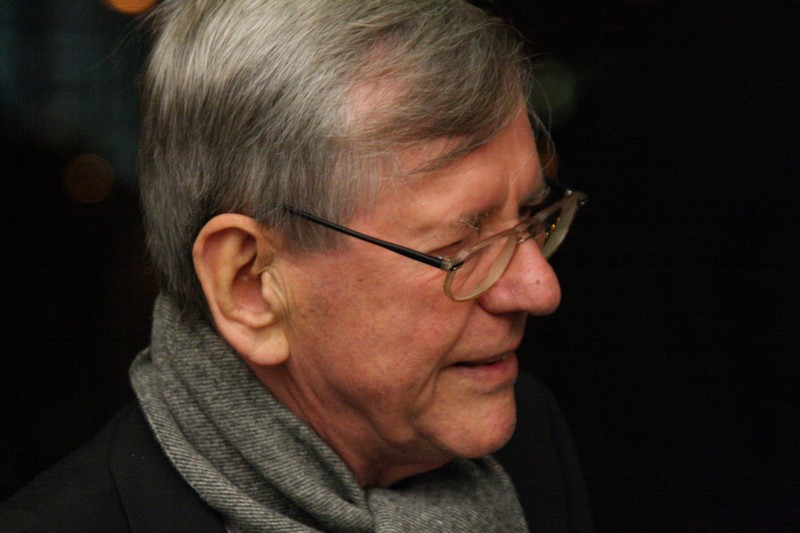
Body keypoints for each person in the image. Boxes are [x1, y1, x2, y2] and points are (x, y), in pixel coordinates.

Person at [0, 0, 591, 531]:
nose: (540, 288)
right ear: (250, 285)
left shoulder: (529, 439)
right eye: (462, 246)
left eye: (529, 216)